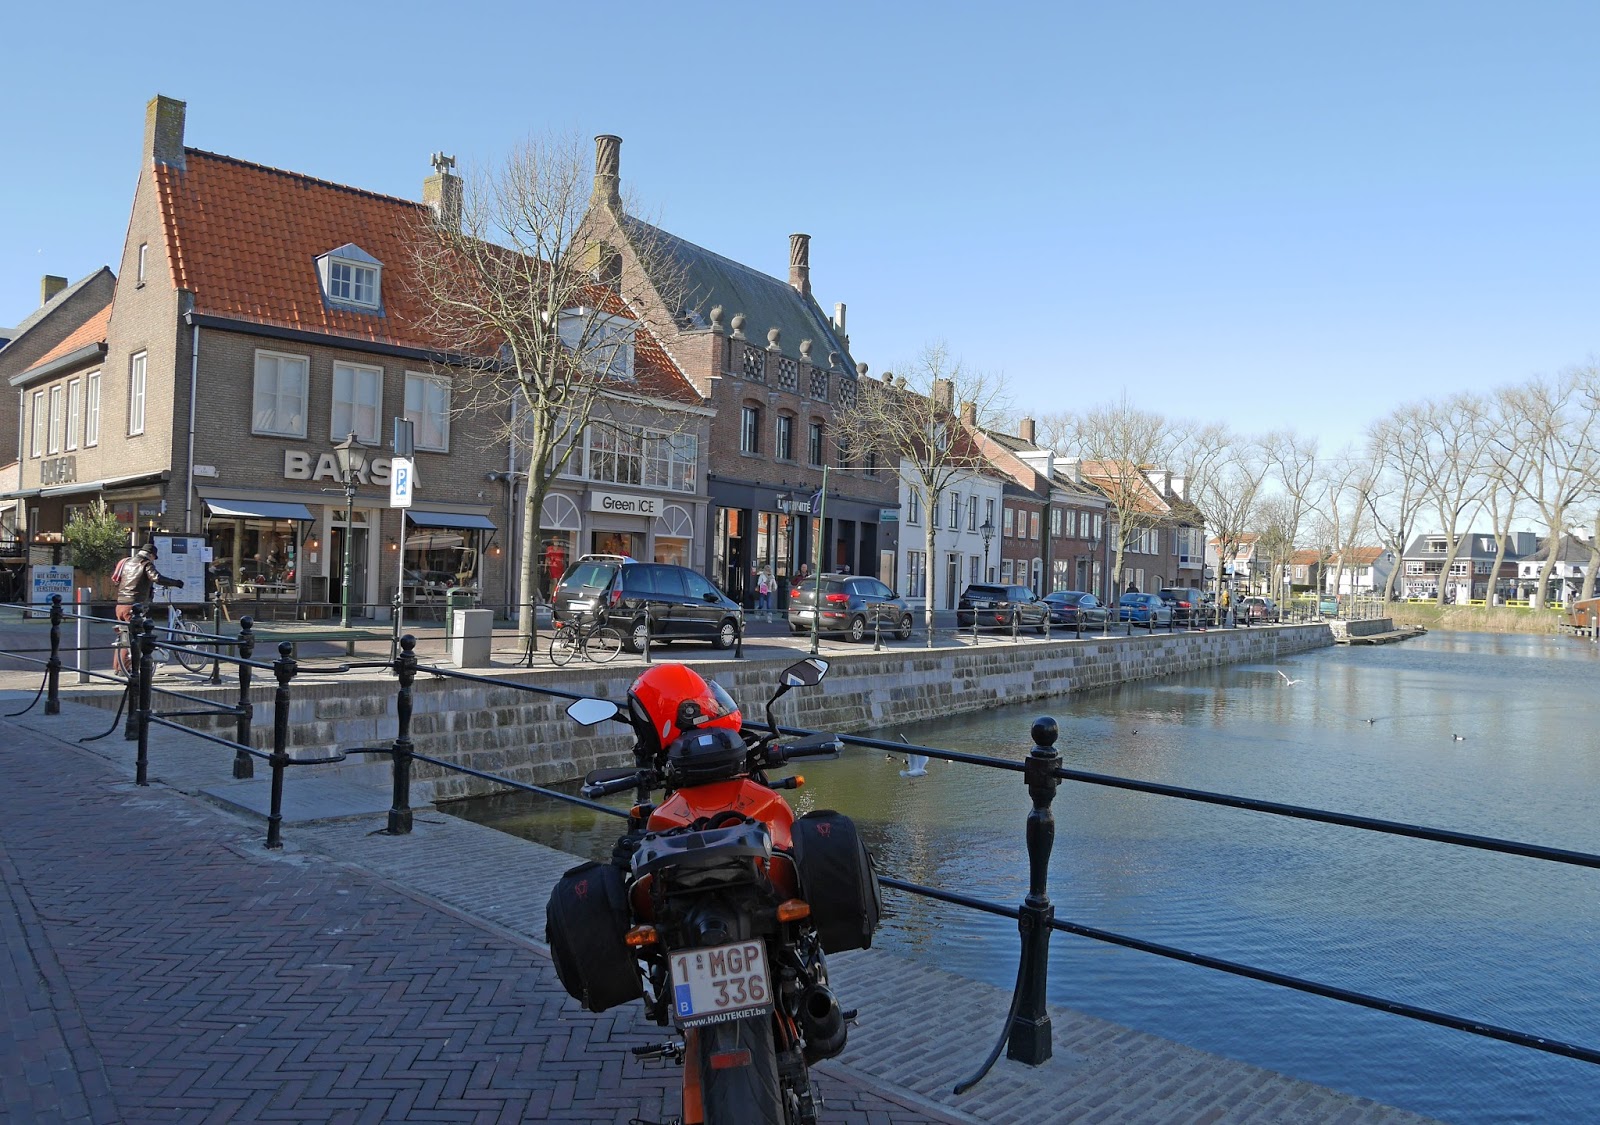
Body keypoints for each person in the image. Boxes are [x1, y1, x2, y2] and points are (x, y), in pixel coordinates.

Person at [113, 543, 185, 673]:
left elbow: (117, 580)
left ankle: (119, 667)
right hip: (135, 606)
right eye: (154, 557)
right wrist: (176, 583)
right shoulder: (145, 564)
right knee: (138, 637)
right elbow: (156, 577)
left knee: (125, 637)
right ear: (150, 555)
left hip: (121, 604)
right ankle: (135, 669)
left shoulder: (126, 562)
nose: (153, 560)